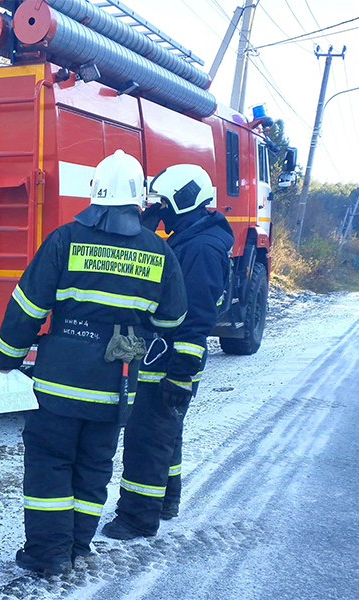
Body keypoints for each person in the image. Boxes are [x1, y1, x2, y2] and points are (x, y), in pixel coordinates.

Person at [0, 150, 188, 575]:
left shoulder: (65, 239)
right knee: (94, 468)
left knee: (50, 466)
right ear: (139, 198)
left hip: (58, 387)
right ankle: (78, 546)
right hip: (116, 387)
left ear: (95, 193)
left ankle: (48, 554)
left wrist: (6, 359)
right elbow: (172, 319)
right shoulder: (159, 252)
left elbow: (28, 305)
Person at [102, 164, 234, 540]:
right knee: (166, 433)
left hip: (172, 362)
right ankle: (165, 501)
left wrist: (180, 373)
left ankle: (137, 517)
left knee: (148, 438)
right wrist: (146, 227)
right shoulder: (190, 238)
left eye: (163, 201)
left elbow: (197, 319)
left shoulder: (202, 248)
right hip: (165, 358)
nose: (159, 207)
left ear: (183, 197)